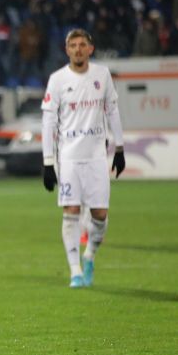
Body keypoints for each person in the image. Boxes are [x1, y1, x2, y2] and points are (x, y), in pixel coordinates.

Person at [40, 29, 126, 288]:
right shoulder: (57, 80)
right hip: (69, 159)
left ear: (91, 48)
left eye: (82, 45)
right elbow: (48, 122)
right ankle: (75, 271)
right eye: (73, 45)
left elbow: (112, 110)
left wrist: (119, 148)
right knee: (71, 211)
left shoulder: (102, 75)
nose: (78, 49)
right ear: (67, 50)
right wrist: (47, 162)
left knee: (100, 214)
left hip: (97, 158)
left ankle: (89, 256)